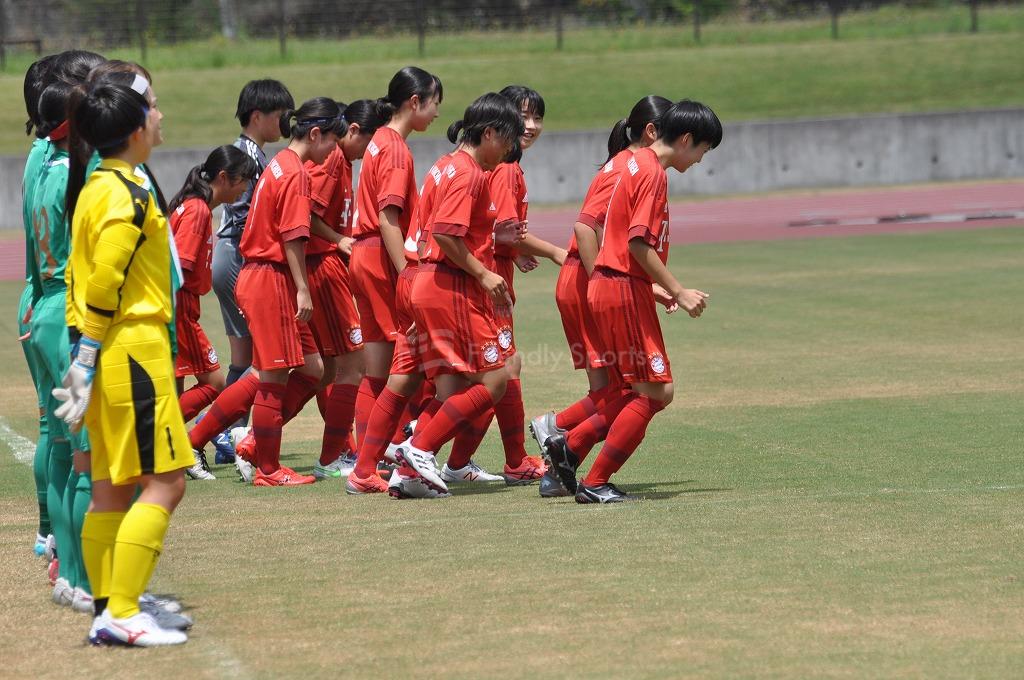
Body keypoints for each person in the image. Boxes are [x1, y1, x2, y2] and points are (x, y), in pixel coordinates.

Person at [58, 77, 193, 645]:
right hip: (132, 349)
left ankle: (107, 607)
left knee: (111, 486)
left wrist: (85, 358)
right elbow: (105, 282)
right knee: (166, 482)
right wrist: (86, 357)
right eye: (152, 109)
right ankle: (122, 611)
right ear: (136, 130)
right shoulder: (126, 193)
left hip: (115, 351)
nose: (160, 116)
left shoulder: (100, 183)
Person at [544, 99, 722, 504]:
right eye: (702, 150)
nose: (700, 160)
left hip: (616, 285)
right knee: (655, 391)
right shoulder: (653, 172)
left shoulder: (635, 161)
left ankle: (569, 446)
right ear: (686, 139)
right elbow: (638, 243)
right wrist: (678, 290)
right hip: (621, 286)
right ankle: (593, 479)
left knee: (639, 390)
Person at [530, 95, 674, 497]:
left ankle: (561, 459)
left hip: (596, 279)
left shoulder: (629, 165)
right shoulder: (627, 167)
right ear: (653, 131)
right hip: (589, 279)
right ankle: (558, 432)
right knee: (629, 390)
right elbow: (584, 228)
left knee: (623, 388)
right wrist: (605, 282)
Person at [392, 92, 525, 498]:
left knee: (450, 391)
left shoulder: (445, 164)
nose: (507, 153)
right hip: (448, 284)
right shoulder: (469, 173)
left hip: (429, 281)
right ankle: (419, 447)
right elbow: (447, 235)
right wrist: (484, 273)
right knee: (496, 378)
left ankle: (407, 474)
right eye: (507, 141)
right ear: (489, 133)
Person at [232, 97, 346, 486]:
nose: (334, 150)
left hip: (264, 274)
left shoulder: (280, 162)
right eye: (332, 140)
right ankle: (267, 468)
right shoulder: (296, 173)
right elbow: (293, 236)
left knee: (313, 368)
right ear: (314, 134)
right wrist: (303, 289)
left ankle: (256, 443)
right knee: (274, 375)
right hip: (269, 277)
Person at [348, 67, 442, 455]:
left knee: (377, 367)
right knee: (406, 362)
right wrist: (406, 273)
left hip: (362, 254)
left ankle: (367, 453)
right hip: (380, 257)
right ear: (414, 102)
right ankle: (394, 448)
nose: (437, 113)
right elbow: (388, 217)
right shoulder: (396, 149)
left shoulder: (379, 140)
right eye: (434, 103)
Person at [302, 99, 387, 479]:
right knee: (354, 363)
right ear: (353, 131)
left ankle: (258, 439)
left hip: (320, 265)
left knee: (328, 368)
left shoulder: (343, 160)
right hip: (322, 265)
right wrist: (339, 239)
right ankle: (330, 456)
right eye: (368, 141)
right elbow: (308, 214)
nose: (369, 151)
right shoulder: (334, 157)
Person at [167, 146, 258, 479]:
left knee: (175, 387)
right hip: (179, 307)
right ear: (223, 177)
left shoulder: (192, 206)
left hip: (176, 307)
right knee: (216, 382)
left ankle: (167, 449)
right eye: (242, 181)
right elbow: (178, 268)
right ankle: (166, 439)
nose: (244, 189)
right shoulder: (198, 211)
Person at [213, 80, 295, 430]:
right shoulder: (245, 155)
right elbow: (244, 212)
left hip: (232, 254)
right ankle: (222, 431)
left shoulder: (255, 153)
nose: (285, 122)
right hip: (236, 254)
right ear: (257, 116)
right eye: (280, 115)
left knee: (244, 357)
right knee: (257, 357)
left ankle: (227, 432)